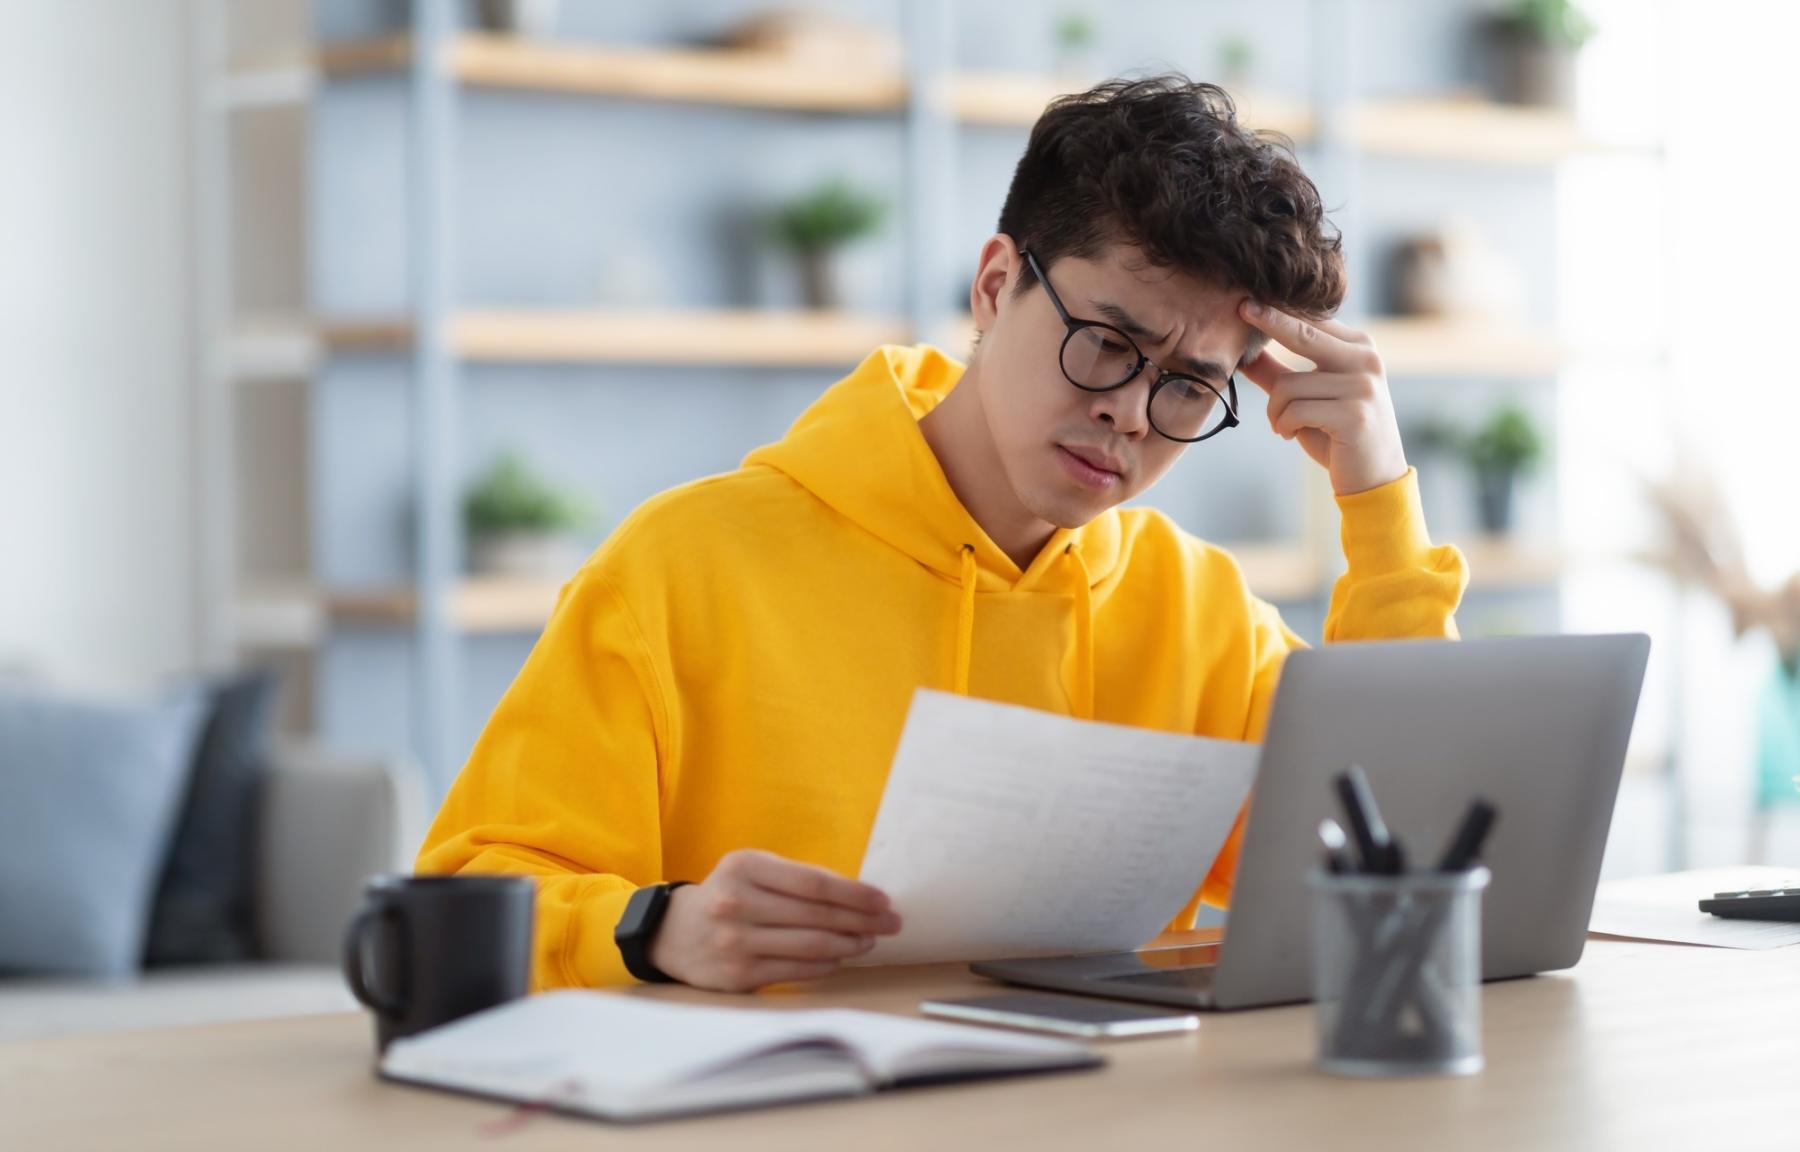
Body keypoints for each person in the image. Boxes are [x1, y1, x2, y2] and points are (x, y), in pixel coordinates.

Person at [416, 76, 1467, 993]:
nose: (1131, 413)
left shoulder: (1201, 617)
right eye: (1109, 342)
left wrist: (1378, 503)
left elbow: (1406, 869)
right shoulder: (683, 566)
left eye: (1190, 387)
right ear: (997, 285)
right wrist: (655, 929)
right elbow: (459, 904)